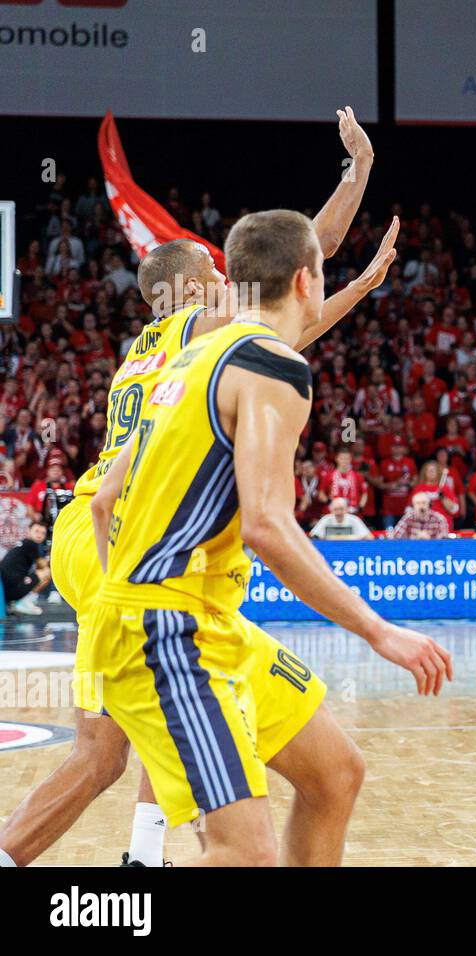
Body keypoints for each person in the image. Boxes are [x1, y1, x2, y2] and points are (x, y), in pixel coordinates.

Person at [0, 111, 391, 870]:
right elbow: (304, 260)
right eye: (215, 275)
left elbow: (290, 324)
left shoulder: (151, 347)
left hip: (92, 531)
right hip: (121, 540)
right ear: (187, 288)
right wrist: (358, 172)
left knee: (102, 751)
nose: (227, 280)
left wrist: (362, 290)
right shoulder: (197, 325)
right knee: (177, 657)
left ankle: (120, 858)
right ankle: (149, 868)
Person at [81, 209, 451, 866]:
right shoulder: (273, 367)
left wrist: (116, 595)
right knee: (244, 852)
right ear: (307, 282)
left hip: (194, 616)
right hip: (169, 625)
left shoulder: (186, 357)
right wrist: (378, 630)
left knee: (335, 774)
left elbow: (105, 500)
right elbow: (266, 527)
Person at [1, 522, 50, 616]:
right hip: (13, 590)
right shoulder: (30, 544)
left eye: (43, 533)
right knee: (47, 572)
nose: (39, 535)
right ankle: (23, 603)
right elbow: (43, 565)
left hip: (5, 591)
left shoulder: (23, 544)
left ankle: (16, 603)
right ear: (28, 531)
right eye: (36, 531)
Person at [310, 496, 375, 541]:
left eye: (341, 509)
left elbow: (370, 537)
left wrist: (354, 538)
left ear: (346, 509)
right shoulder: (326, 519)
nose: (338, 512)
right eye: (336, 509)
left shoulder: (354, 520)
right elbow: (313, 536)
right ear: (331, 510)